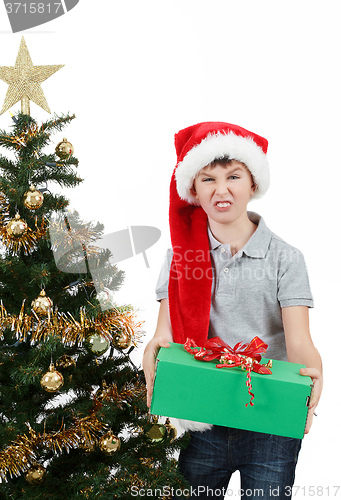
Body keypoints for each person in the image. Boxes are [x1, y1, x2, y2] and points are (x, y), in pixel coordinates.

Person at [143, 121, 323, 500]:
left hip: (269, 418)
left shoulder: (285, 258)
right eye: (207, 179)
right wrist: (154, 354)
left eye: (233, 177)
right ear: (193, 189)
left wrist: (313, 377)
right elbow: (165, 333)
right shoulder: (179, 255)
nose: (221, 190)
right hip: (202, 414)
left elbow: (300, 341)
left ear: (253, 183)